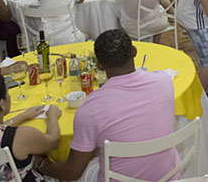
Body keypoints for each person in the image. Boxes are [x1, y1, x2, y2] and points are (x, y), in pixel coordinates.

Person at [38, 29, 181, 182]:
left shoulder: (91, 108)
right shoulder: (164, 81)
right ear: (134, 52)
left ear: (99, 65)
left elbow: (71, 173)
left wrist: (40, 165)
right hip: (168, 175)